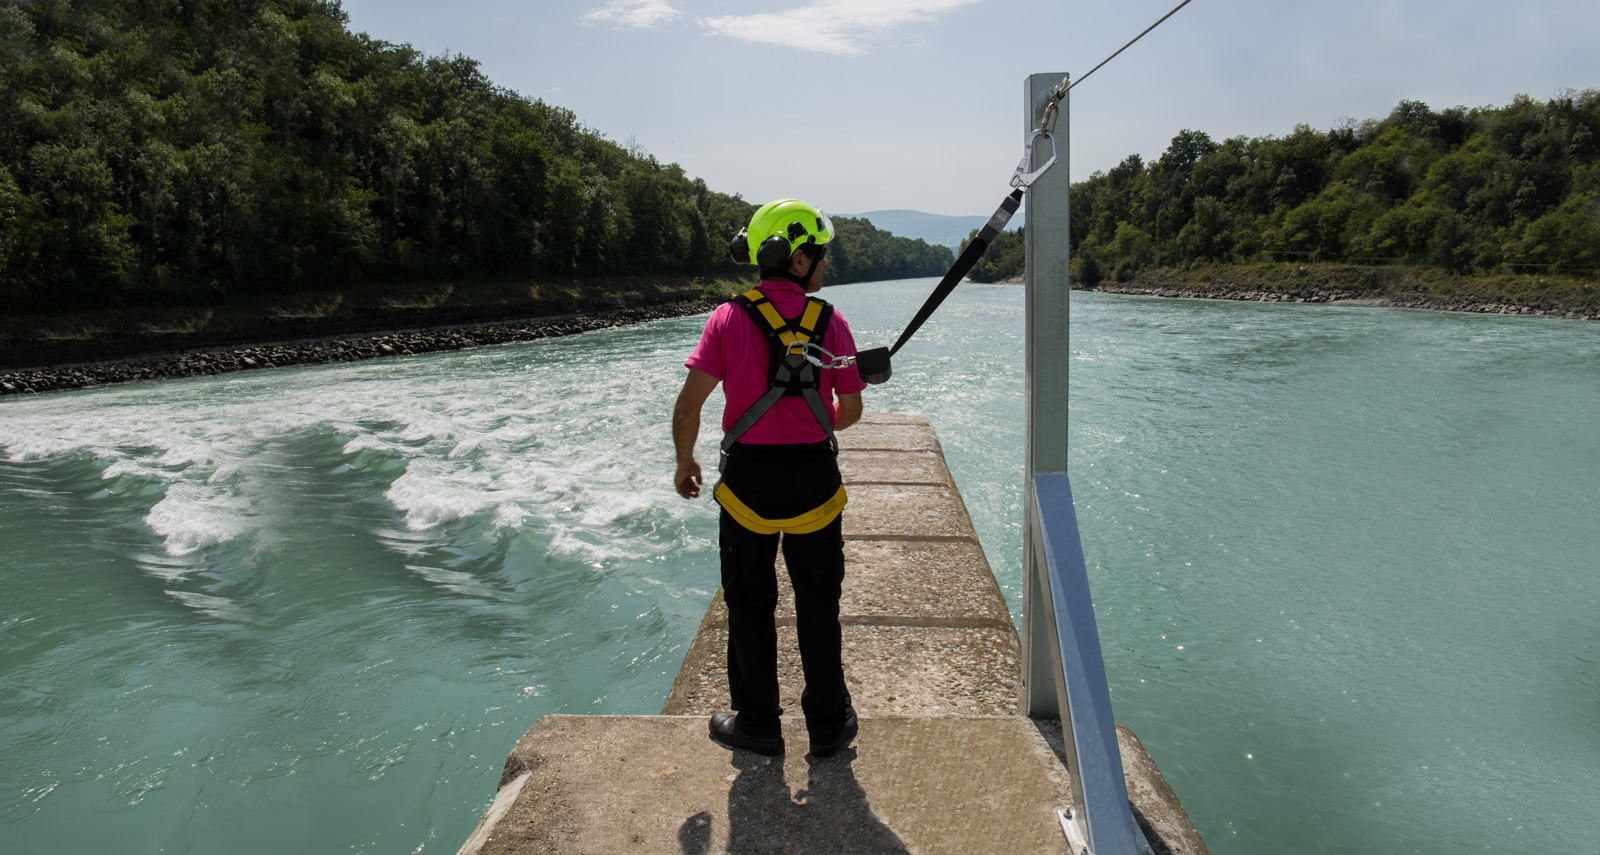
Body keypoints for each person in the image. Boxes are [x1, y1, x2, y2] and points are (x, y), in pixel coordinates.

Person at [672, 199, 865, 758]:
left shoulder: (727, 317)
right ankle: (828, 725)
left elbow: (689, 407)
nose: (825, 265)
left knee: (750, 604)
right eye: (820, 255)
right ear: (800, 261)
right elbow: (848, 411)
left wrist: (685, 462)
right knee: (817, 602)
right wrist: (811, 417)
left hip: (748, 487)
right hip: (814, 484)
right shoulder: (831, 322)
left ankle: (758, 723)